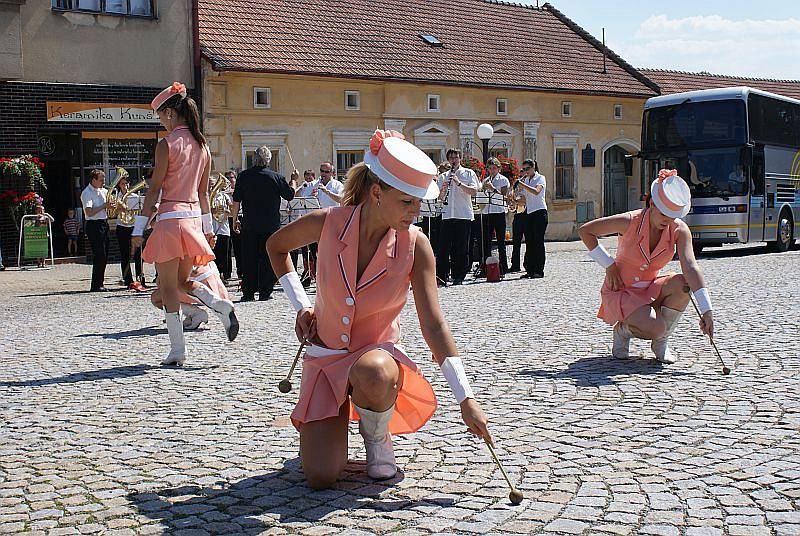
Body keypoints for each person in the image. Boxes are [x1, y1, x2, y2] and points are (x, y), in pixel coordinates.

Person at [267, 129, 492, 489]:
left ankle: (376, 437)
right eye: (407, 202)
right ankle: (334, 425)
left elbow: (433, 325)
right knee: (321, 477)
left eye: (419, 202)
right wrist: (301, 306)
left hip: (376, 362)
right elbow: (275, 247)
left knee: (373, 371)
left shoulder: (416, 246)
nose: (416, 212)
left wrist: (466, 398)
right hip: (325, 356)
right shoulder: (328, 222)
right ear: (376, 193)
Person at [132, 81, 238, 366]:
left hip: (169, 221)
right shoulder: (202, 146)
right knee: (182, 281)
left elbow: (154, 190)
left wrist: (139, 229)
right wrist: (207, 229)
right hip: (192, 221)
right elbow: (203, 193)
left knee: (168, 289)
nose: (161, 122)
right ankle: (218, 303)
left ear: (168, 113)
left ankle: (178, 349)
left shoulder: (166, 144)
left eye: (160, 116)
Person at [578, 169, 715, 363]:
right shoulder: (629, 221)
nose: (667, 221)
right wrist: (609, 265)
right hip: (622, 290)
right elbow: (586, 231)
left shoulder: (679, 230)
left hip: (650, 288)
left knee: (682, 284)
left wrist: (706, 311)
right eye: (663, 214)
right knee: (656, 327)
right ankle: (623, 330)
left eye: (672, 216)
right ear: (651, 203)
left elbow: (691, 266)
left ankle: (661, 342)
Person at [231, 145, 298, 301]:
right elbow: (290, 195)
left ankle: (248, 292)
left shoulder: (243, 176)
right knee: (267, 258)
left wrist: (235, 219)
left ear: (253, 159)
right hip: (270, 225)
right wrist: (294, 181)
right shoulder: (276, 177)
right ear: (269, 160)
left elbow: (236, 201)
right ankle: (265, 292)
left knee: (249, 258)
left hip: (249, 223)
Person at [436, 148, 480, 286]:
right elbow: (440, 198)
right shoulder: (443, 176)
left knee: (461, 247)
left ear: (460, 158)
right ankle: (442, 276)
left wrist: (459, 183)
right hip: (447, 215)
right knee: (443, 247)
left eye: (456, 157)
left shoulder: (468, 173)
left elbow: (474, 191)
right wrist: (442, 190)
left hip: (463, 215)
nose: (453, 160)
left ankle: (458, 276)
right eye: (451, 158)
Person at [150, 261, 230, 332]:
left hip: (196, 286)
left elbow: (163, 282)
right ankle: (219, 308)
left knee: (157, 298)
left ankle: (195, 313)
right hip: (215, 286)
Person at [114, 174, 146, 291]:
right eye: (123, 184)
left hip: (134, 226)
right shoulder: (116, 197)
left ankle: (140, 279)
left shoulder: (134, 197)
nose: (125, 186)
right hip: (122, 227)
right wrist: (118, 207)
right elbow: (112, 213)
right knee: (125, 254)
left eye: (127, 183)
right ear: (119, 185)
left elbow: (141, 209)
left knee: (138, 254)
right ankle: (128, 280)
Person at [81, 169, 110, 291]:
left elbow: (109, 209)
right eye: (101, 180)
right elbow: (89, 212)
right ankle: (95, 284)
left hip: (104, 223)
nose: (103, 182)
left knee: (105, 255)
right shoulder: (87, 192)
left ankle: (100, 283)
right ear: (94, 180)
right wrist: (104, 206)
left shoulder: (104, 191)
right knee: (99, 254)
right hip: (94, 225)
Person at [516, 160, 547, 278]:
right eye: (524, 169)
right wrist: (513, 200)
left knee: (538, 241)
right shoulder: (527, 180)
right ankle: (530, 269)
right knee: (529, 241)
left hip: (540, 212)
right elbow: (524, 199)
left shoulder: (540, 178)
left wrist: (522, 184)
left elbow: (536, 191)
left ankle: (539, 270)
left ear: (534, 167)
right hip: (529, 212)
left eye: (527, 169)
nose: (525, 171)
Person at [480, 158, 510, 275]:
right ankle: (486, 267)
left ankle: (503, 267)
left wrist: (493, 188)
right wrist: (483, 189)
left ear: (498, 168)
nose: (492, 170)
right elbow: (482, 195)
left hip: (498, 212)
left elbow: (504, 196)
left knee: (500, 241)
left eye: (494, 168)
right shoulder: (486, 180)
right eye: (490, 168)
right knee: (486, 242)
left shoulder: (503, 180)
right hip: (487, 212)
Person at [508, 160, 531, 272]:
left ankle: (527, 264)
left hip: (527, 214)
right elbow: (512, 196)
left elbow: (525, 199)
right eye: (520, 176)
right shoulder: (517, 186)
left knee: (528, 241)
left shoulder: (527, 185)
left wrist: (517, 200)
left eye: (522, 176)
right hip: (518, 214)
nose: (521, 178)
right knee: (516, 241)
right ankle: (515, 265)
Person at [210, 173, 233, 283]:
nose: (212, 186)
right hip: (211, 228)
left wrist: (228, 212)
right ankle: (213, 275)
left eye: (213, 184)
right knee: (213, 254)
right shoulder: (205, 196)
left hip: (223, 227)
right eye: (210, 184)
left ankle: (223, 275)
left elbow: (232, 210)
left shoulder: (224, 196)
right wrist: (211, 211)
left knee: (223, 253)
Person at [225, 170, 241, 280]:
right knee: (227, 248)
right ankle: (227, 273)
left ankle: (241, 271)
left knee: (239, 246)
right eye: (228, 178)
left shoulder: (239, 191)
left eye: (231, 177)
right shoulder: (222, 192)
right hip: (226, 220)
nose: (230, 180)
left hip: (237, 219)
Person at [32, 204, 54, 268]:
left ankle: (43, 262)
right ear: (36, 211)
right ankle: (38, 262)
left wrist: (46, 214)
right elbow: (32, 224)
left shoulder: (45, 217)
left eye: (42, 210)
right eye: (39, 210)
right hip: (36, 235)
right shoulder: (34, 217)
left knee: (44, 248)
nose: (41, 212)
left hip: (44, 234)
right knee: (37, 248)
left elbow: (52, 220)